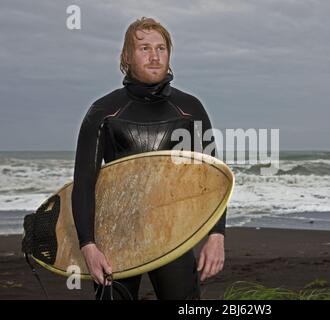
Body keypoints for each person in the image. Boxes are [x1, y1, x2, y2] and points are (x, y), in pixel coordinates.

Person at [71, 17, 226, 300]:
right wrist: (88, 245)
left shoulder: (189, 109)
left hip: (173, 235)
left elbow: (211, 178)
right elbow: (83, 183)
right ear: (127, 56)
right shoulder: (103, 111)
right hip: (116, 236)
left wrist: (216, 236)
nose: (154, 56)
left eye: (161, 48)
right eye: (144, 48)